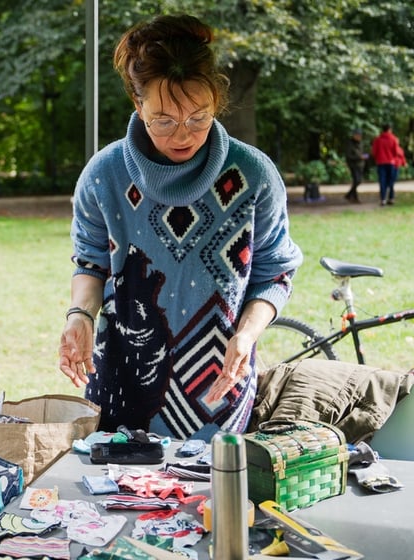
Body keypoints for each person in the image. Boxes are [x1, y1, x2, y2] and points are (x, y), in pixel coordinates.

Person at [57, 14, 303, 441]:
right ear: (138, 106)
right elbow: (91, 264)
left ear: (216, 101)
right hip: (121, 386)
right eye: (164, 120)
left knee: (209, 485)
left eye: (198, 117)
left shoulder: (254, 175)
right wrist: (79, 314)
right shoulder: (103, 175)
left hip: (218, 387)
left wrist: (246, 335)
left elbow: (275, 274)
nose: (183, 134)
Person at [371, 123, 403, 206]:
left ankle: (383, 199)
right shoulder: (393, 139)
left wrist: (378, 158)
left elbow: (374, 152)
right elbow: (396, 151)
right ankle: (391, 198)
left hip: (380, 163)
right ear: (390, 129)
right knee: (391, 181)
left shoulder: (377, 140)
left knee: (382, 181)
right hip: (391, 163)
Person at [344, 129, 368, 203]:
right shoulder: (349, 144)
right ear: (354, 135)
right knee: (357, 180)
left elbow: (362, 152)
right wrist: (359, 157)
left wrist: (364, 156)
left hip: (360, 165)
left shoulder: (360, 143)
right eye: (357, 135)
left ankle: (351, 196)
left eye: (360, 135)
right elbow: (349, 156)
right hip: (353, 165)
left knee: (357, 181)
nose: (359, 137)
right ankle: (352, 196)